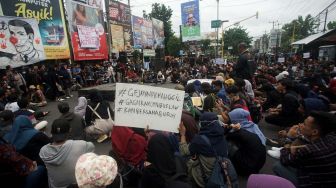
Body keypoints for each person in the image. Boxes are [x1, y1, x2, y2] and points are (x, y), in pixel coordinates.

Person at [273, 111, 336, 187]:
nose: (300, 125)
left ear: (314, 132)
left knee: (278, 166)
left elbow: (285, 159)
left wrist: (288, 138)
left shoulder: (309, 150)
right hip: (328, 178)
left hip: (317, 182)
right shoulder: (332, 137)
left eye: (304, 124)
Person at [39, 119, 95, 188]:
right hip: (78, 184)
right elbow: (91, 147)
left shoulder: (43, 151)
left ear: (51, 133)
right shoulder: (81, 145)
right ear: (70, 130)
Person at [179, 112, 228, 187]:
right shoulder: (222, 134)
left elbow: (184, 152)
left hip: (205, 177)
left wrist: (183, 135)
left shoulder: (200, 140)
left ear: (204, 124)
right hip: (222, 171)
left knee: (184, 157)